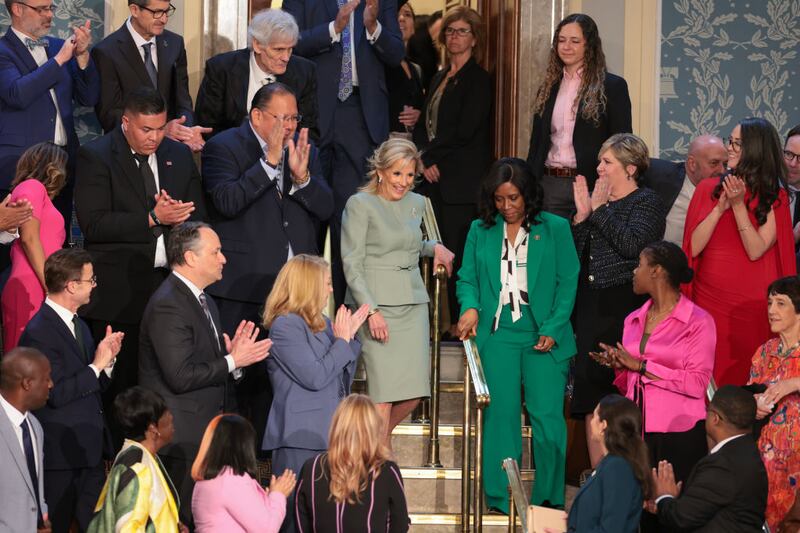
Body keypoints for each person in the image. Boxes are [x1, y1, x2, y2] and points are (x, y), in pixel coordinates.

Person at [202, 82, 333, 447]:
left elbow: (325, 207)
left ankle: (270, 458)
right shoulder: (223, 148)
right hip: (245, 285)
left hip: (294, 292)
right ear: (257, 116)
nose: (289, 126)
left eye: (294, 117)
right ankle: (232, 460)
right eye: (282, 117)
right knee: (241, 380)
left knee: (281, 382)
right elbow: (226, 202)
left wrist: (303, 178)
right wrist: (268, 163)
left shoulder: (305, 151)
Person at [74, 87, 207, 426]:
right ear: (125, 122)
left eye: (161, 128)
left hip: (172, 287)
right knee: (122, 388)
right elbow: (94, 224)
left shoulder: (176, 155)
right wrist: (152, 218)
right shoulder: (96, 155)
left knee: (167, 381)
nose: (154, 137)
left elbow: (198, 214)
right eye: (146, 130)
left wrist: (183, 215)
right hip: (120, 294)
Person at [455, 158, 579, 512]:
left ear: (528, 195)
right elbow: (467, 278)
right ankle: (498, 499)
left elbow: (567, 282)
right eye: (499, 199)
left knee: (547, 419)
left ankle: (548, 501)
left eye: (513, 198)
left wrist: (554, 328)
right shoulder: (480, 229)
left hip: (544, 336)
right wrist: (470, 306)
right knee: (500, 417)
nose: (507, 207)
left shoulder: (555, 228)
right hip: (498, 337)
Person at [138, 222, 272, 527]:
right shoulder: (168, 304)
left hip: (206, 437)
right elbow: (180, 375)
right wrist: (231, 360)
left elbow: (209, 368)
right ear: (190, 257)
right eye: (216, 252)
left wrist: (235, 363)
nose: (223, 258)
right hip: (181, 440)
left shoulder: (204, 300)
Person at [282, 0, 405, 306]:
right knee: (304, 218)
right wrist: (333, 29)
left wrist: (372, 26)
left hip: (360, 118)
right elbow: (289, 43)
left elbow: (396, 53)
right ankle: (299, 315)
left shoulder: (380, 2)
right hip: (311, 115)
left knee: (350, 222)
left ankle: (346, 317)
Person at [341, 138, 454, 447]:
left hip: (413, 304)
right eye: (397, 174)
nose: (404, 182)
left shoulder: (418, 203)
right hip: (377, 307)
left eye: (409, 175)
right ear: (380, 171)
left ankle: (373, 443)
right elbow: (352, 263)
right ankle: (379, 462)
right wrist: (372, 311)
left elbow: (412, 244)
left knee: (415, 394)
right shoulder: (359, 204)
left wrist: (435, 247)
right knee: (383, 394)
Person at [570, 133, 666, 467]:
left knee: (623, 392)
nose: (599, 168)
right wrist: (582, 217)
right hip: (589, 306)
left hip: (626, 308)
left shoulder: (647, 202)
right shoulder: (600, 205)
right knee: (590, 393)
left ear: (630, 168)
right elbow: (577, 258)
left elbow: (634, 246)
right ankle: (600, 476)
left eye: (606, 162)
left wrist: (598, 212)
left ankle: (628, 476)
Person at [683, 117, 796, 387]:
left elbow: (755, 250)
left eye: (737, 143)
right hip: (708, 300)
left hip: (750, 305)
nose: (729, 148)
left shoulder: (775, 197)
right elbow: (693, 247)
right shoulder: (707, 189)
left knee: (747, 379)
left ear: (755, 149)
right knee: (707, 379)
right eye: (730, 140)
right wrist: (720, 209)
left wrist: (737, 206)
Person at [18, 248, 123, 532]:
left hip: (88, 450)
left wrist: (106, 363)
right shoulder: (39, 332)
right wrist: (96, 366)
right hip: (60, 457)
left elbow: (91, 386)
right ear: (72, 285)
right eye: (91, 280)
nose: (95, 285)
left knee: (99, 526)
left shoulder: (80, 326)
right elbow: (56, 393)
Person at [262, 254, 366, 533]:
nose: (331, 290)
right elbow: (315, 376)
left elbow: (341, 377)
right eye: (327, 283)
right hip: (300, 438)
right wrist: (342, 342)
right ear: (307, 285)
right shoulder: (285, 325)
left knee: (327, 520)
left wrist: (351, 339)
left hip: (330, 434)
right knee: (297, 519)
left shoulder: (323, 323)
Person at [598, 242, 714, 484]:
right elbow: (630, 383)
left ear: (656, 271)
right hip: (636, 432)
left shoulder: (698, 322)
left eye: (639, 265)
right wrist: (619, 365)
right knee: (637, 510)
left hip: (678, 433)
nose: (634, 272)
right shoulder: (633, 319)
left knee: (671, 512)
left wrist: (642, 366)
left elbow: (696, 384)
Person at [418, 6, 491, 330]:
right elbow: (425, 124)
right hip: (434, 180)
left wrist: (432, 158)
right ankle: (439, 324)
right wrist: (422, 157)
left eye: (462, 31)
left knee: (459, 255)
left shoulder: (479, 80)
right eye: (450, 31)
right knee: (435, 253)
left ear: (475, 38)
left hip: (460, 181)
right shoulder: (438, 76)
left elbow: (465, 130)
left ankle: (461, 323)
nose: (454, 36)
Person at [0, 0, 99, 228]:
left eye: (50, 8)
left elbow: (89, 98)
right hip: (21, 165)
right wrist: (59, 61)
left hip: (63, 162)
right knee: (17, 248)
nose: (49, 15)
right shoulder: (4, 51)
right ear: (17, 8)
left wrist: (82, 56)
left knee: (57, 242)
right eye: (41, 9)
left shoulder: (57, 47)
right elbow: (17, 94)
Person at [526, 13, 632, 219]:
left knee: (587, 250)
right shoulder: (548, 87)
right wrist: (530, 182)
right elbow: (536, 142)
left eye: (575, 41)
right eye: (561, 40)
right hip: (550, 185)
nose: (566, 47)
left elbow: (621, 142)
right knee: (553, 250)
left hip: (593, 183)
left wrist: (612, 183)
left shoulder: (612, 86)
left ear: (589, 46)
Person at [91, 0, 209, 151]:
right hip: (129, 151)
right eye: (157, 12)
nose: (164, 19)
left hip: (171, 149)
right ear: (134, 10)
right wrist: (159, 130)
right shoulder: (106, 51)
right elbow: (109, 114)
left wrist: (185, 132)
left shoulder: (175, 43)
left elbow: (183, 100)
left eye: (167, 12)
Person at [654, 385, 768, 532]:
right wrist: (672, 502)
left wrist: (663, 497)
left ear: (714, 418)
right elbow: (704, 509)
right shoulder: (746, 450)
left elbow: (682, 517)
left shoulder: (723, 464)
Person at [195, 8, 320, 140]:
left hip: (284, 155)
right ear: (257, 45)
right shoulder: (222, 69)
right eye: (279, 49)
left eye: (290, 49)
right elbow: (207, 127)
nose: (286, 58)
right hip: (232, 154)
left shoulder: (304, 72)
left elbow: (308, 132)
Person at [295, 394, 410, 533]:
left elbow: (301, 523)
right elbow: (400, 524)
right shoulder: (387, 470)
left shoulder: (311, 468)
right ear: (373, 427)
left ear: (338, 425)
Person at [547, 394, 652, 533]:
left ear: (603, 425)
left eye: (595, 416)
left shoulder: (618, 467)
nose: (591, 422)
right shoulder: (610, 463)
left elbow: (611, 529)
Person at [87, 386, 185, 533]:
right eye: (165, 411)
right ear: (153, 428)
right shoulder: (137, 467)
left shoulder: (139, 455)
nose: (171, 415)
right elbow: (128, 528)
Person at [2, 142, 67, 351]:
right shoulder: (32, 186)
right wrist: (51, 286)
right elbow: (29, 239)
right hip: (32, 284)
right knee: (24, 365)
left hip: (40, 281)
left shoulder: (40, 195)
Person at [747, 276, 800, 530]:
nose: (771, 311)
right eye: (769, 303)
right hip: (765, 460)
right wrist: (753, 404)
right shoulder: (764, 352)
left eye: (781, 303)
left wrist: (794, 383)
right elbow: (749, 392)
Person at [192, 414, 297, 533]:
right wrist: (278, 495)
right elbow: (267, 529)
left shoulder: (207, 479)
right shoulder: (232, 480)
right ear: (244, 445)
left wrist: (266, 501)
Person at [0, 347, 53, 533]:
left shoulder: (34, 425)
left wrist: (40, 519)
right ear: (27, 384)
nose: (51, 384)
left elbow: (33, 487)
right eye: (46, 378)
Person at [641, 135, 728, 245]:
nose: (722, 170)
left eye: (725, 164)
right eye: (714, 163)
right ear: (692, 164)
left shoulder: (726, 190)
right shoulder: (659, 174)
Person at [386, 1, 424, 137]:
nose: (401, 18)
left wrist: (419, 114)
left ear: (414, 26)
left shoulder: (416, 69)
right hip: (386, 146)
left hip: (412, 144)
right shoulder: (379, 62)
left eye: (407, 14)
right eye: (396, 14)